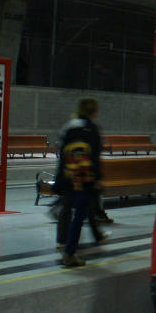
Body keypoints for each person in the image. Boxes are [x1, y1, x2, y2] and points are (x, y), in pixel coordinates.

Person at [53, 98, 109, 267]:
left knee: (68, 210)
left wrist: (60, 179)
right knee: (80, 216)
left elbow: (61, 155)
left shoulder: (68, 127)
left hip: (69, 176)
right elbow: (95, 157)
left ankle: (65, 244)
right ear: (94, 111)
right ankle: (70, 253)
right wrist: (97, 179)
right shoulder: (92, 129)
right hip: (85, 178)